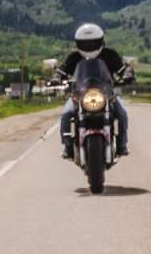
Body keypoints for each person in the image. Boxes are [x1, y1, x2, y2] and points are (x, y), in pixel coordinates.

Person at [56, 21, 134, 159]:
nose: (89, 46)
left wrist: (127, 74)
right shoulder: (74, 56)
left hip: (106, 94)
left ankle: (122, 145)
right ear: (78, 43)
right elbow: (63, 69)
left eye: (92, 42)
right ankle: (67, 146)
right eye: (85, 43)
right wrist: (56, 77)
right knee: (66, 114)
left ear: (101, 41)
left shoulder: (110, 54)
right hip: (80, 94)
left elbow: (122, 69)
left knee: (122, 113)